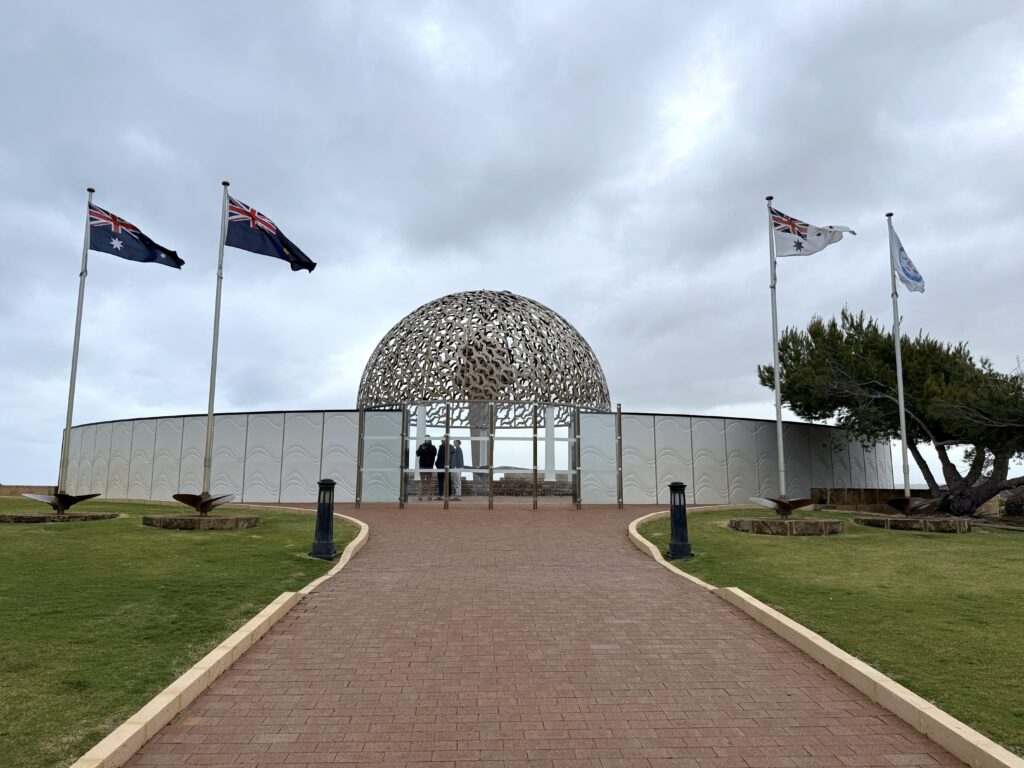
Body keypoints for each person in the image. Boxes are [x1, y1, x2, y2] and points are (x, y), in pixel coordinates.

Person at [415, 437, 436, 501]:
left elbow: (434, 454)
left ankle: (429, 496)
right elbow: (417, 454)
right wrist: (421, 449)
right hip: (422, 466)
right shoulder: (421, 446)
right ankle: (420, 496)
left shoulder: (433, 447)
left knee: (429, 481)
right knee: (422, 481)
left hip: (429, 466)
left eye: (428, 439)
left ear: (430, 440)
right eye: (425, 439)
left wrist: (428, 448)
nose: (426, 440)